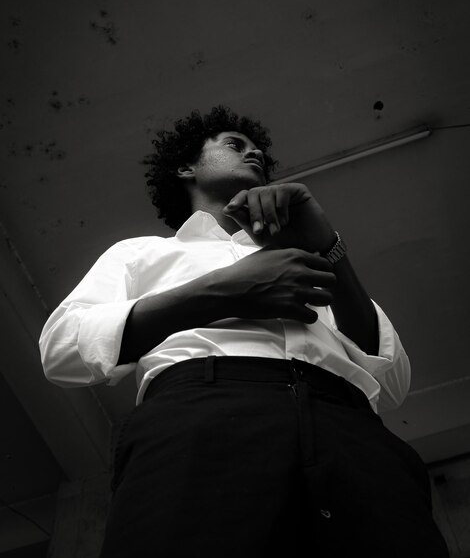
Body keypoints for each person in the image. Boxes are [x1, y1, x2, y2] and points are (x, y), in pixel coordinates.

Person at [39, 105, 449, 557]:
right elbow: (61, 350)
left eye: (258, 151)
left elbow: (391, 385)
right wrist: (219, 292)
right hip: (200, 423)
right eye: (235, 144)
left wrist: (328, 248)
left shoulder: (301, 260)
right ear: (186, 167)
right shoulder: (141, 253)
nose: (254, 152)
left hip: (352, 432)